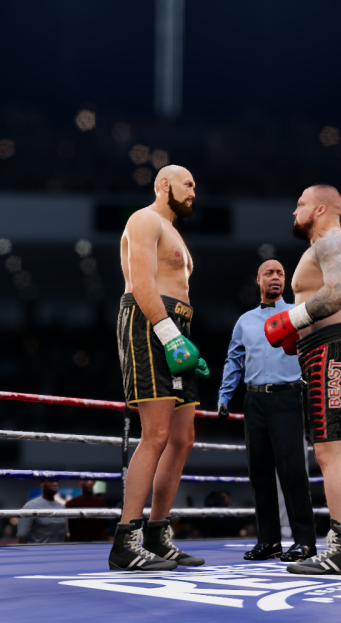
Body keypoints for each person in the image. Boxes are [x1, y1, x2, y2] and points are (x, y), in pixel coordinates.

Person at [265, 185, 341, 576]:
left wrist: (292, 321)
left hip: (337, 350)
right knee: (329, 449)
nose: (295, 212)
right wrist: (299, 332)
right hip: (326, 351)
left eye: (301, 205)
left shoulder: (335, 239)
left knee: (332, 452)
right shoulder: (323, 246)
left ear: (321, 208)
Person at [111, 165, 209, 571]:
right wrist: (169, 334)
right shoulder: (144, 218)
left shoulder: (175, 233)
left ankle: (157, 533)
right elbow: (141, 282)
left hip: (176, 324)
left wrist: (180, 335)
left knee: (183, 437)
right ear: (164, 184)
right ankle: (125, 540)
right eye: (188, 184)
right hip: (149, 318)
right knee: (156, 434)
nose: (193, 193)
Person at [219, 259, 316, 563]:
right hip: (254, 401)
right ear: (258, 280)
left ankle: (305, 541)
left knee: (293, 471)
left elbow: (312, 354)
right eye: (269, 274)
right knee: (260, 473)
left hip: (288, 398)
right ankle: (269, 541)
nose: (275, 278)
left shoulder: (297, 315)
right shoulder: (245, 320)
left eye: (280, 274)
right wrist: (225, 395)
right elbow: (233, 359)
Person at [18, 478, 69, 544]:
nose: (55, 484)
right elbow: (22, 539)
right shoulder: (30, 507)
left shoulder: (62, 507)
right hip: (37, 553)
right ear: (42, 483)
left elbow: (66, 536)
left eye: (57, 481)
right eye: (51, 481)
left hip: (59, 553)